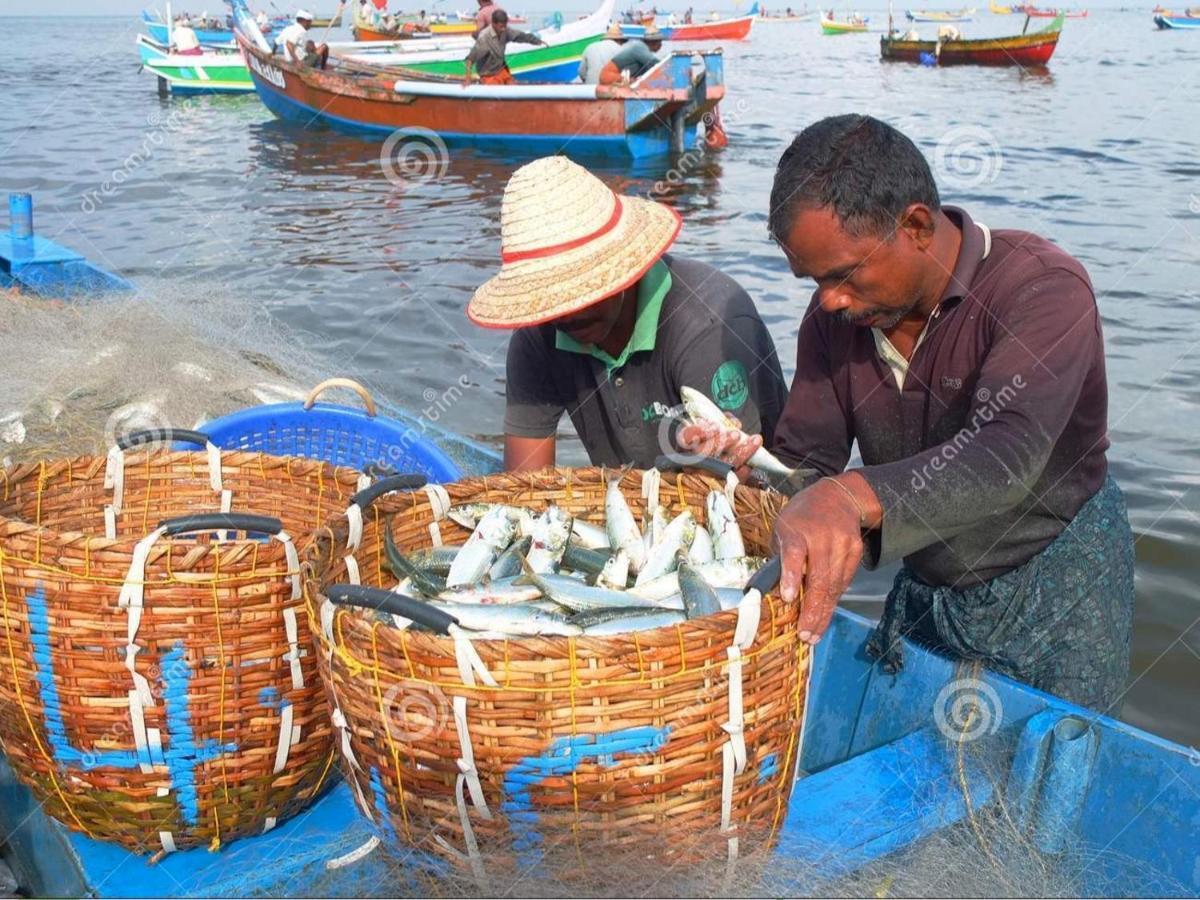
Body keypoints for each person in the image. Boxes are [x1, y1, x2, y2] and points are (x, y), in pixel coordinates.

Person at [680, 115, 1134, 712]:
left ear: (916, 226)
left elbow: (1004, 458)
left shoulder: (1041, 289)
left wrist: (844, 499)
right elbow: (808, 461)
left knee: (1045, 768)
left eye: (842, 275)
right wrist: (758, 466)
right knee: (929, 753)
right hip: (931, 580)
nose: (828, 299)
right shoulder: (832, 324)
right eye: (812, 280)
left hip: (1055, 578)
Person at [468, 156, 788, 473]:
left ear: (626, 269)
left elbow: (745, 470)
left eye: (587, 289)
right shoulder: (538, 338)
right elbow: (527, 481)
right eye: (554, 301)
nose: (571, 313)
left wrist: (704, 463)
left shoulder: (705, 324)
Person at [463, 10, 546, 85]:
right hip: (487, 74)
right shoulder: (484, 38)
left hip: (501, 70)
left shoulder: (506, 30)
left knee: (512, 85)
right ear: (493, 24)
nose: (503, 29)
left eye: (505, 26)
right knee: (496, 91)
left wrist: (537, 41)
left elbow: (520, 36)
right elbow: (469, 59)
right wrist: (468, 78)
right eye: (501, 26)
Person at [598, 26, 663, 84]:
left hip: (614, 77)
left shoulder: (642, 48)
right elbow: (656, 64)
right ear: (653, 42)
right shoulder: (639, 47)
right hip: (608, 76)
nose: (661, 45)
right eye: (660, 42)